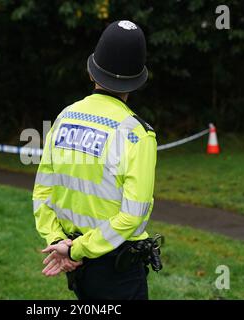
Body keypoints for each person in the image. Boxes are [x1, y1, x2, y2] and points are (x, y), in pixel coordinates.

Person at [33, 20, 157, 300]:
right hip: (116, 268)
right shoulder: (138, 134)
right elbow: (132, 215)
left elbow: (42, 192)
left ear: (92, 72)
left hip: (76, 265)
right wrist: (74, 250)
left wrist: (57, 241)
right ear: (137, 81)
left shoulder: (65, 118)